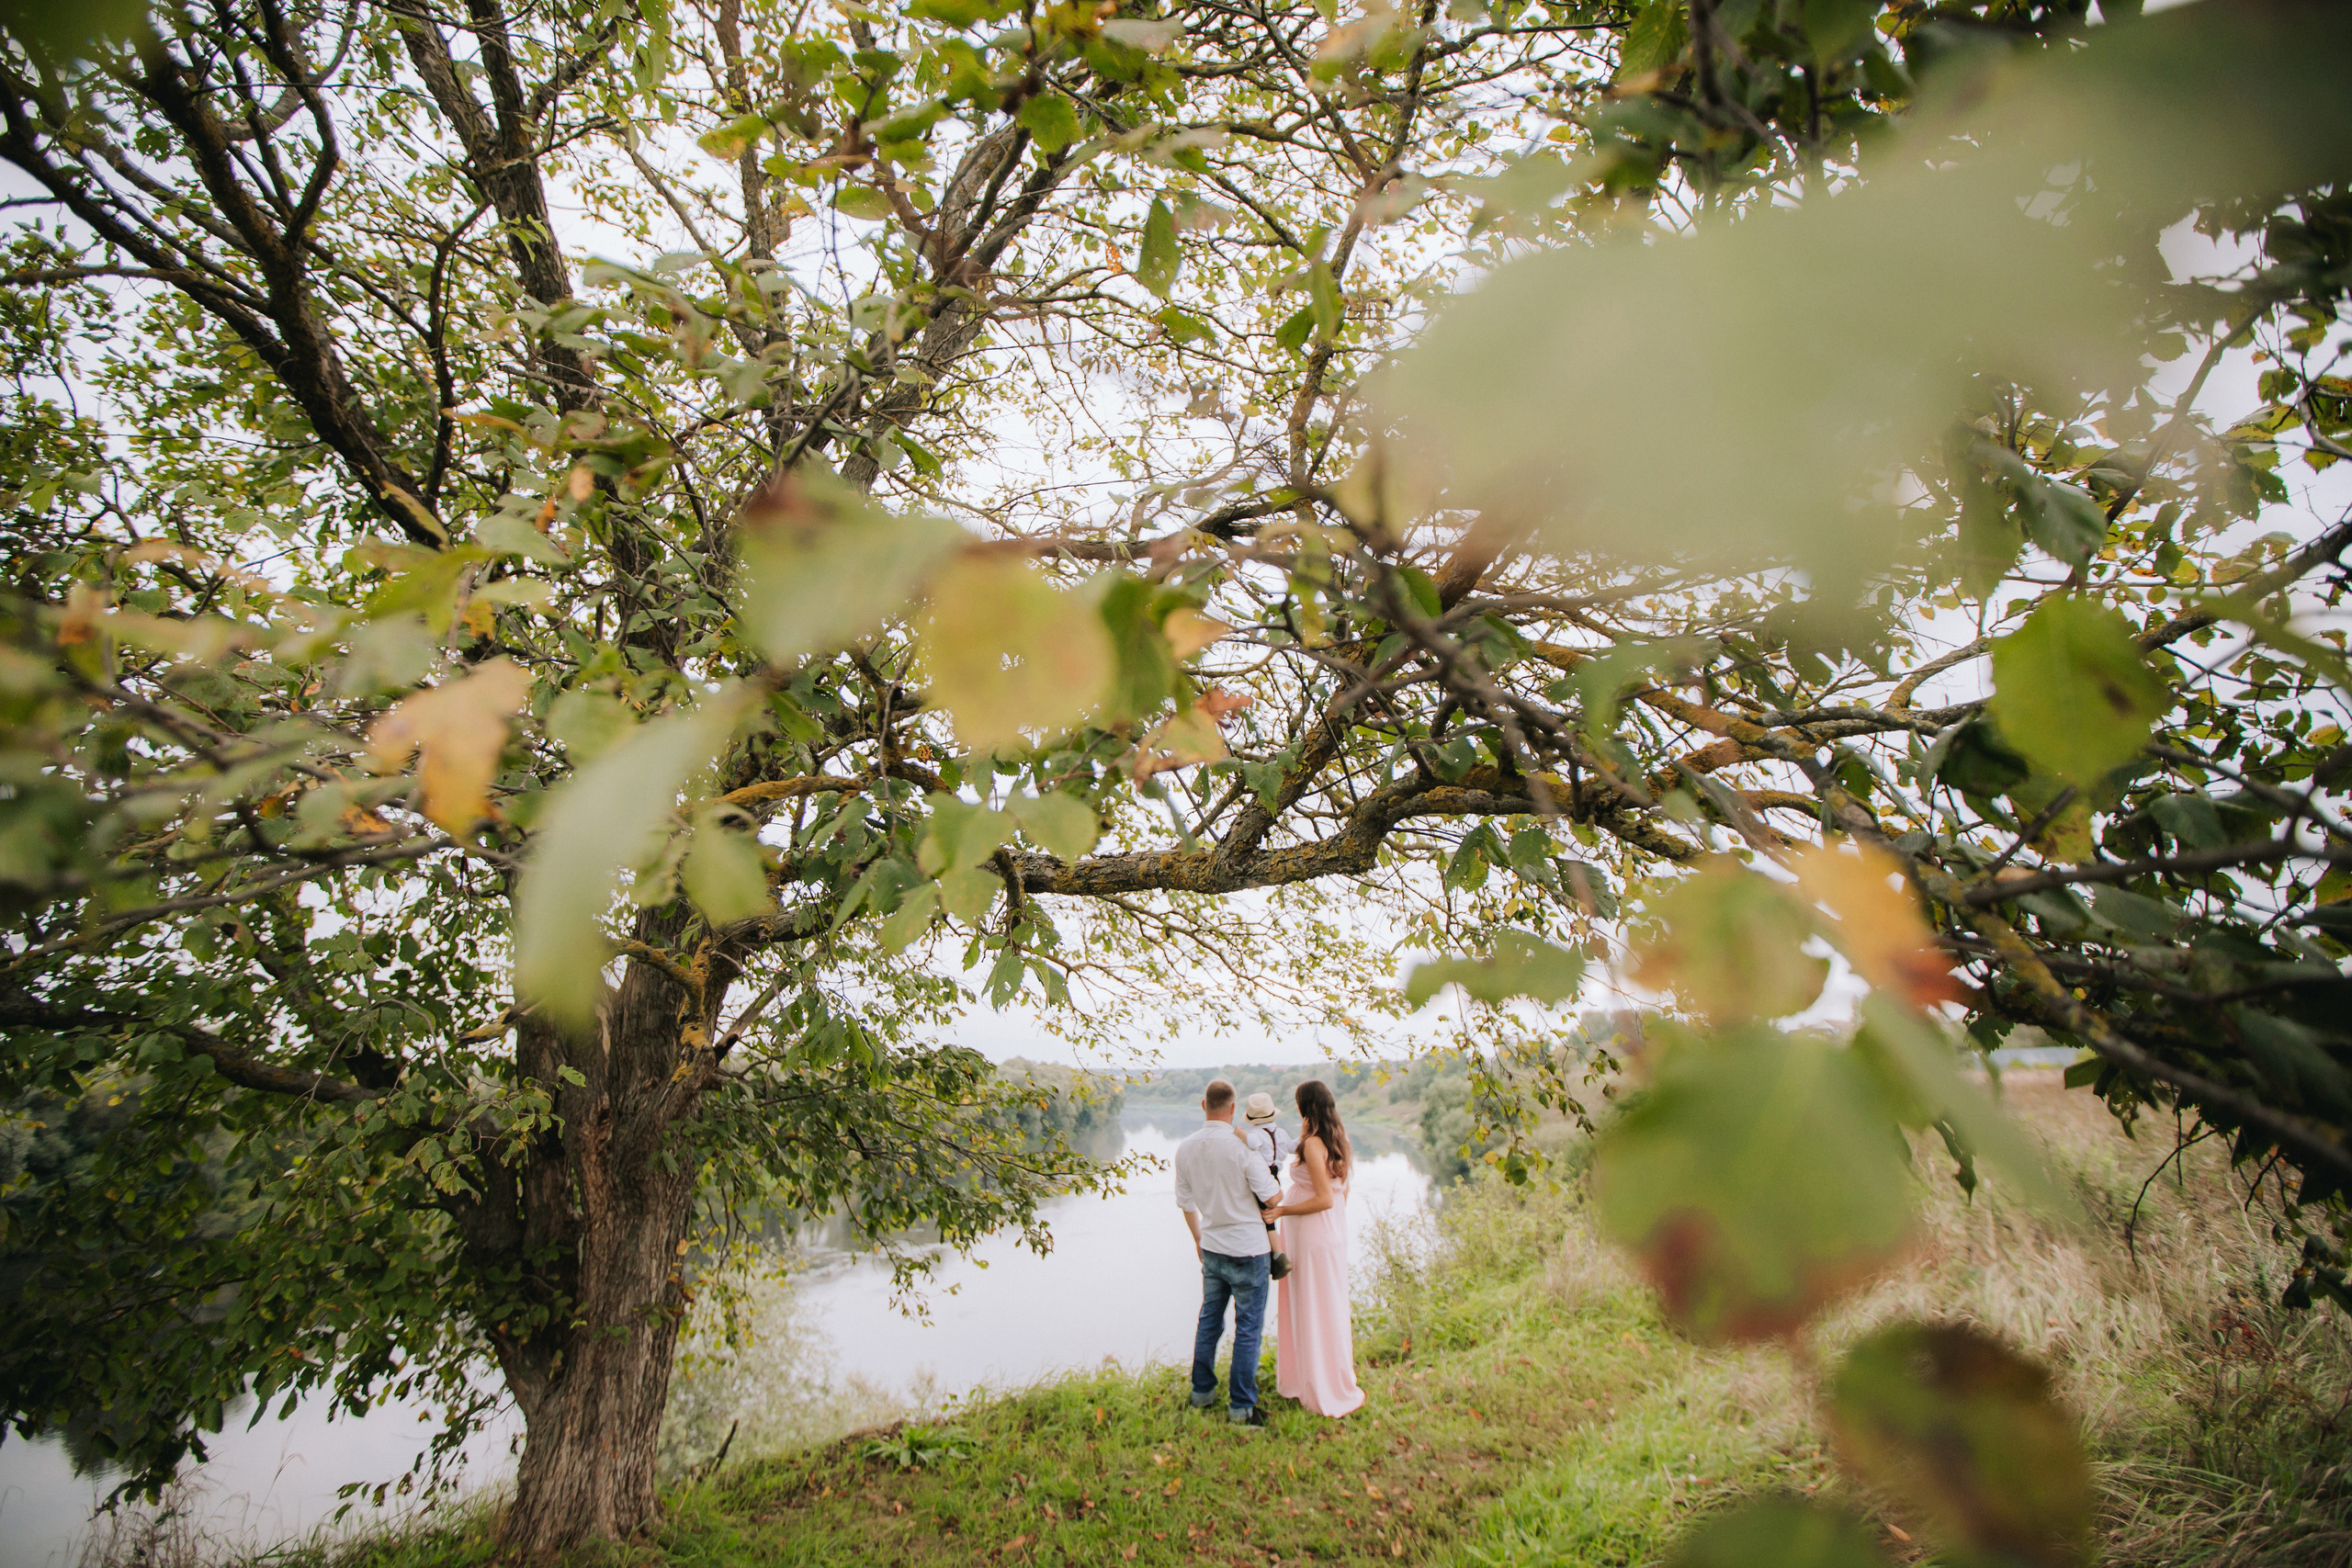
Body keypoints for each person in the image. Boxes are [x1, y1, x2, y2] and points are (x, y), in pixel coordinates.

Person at [1172, 1078, 1282, 1427]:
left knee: (1209, 1321)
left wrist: (1197, 1239)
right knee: (1248, 1328)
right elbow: (1273, 1198)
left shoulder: (1185, 1149)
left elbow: (1186, 1203)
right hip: (1250, 1250)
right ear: (1234, 1109)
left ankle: (1201, 1393)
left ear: (1204, 1106)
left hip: (1213, 1248)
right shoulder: (1243, 1149)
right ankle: (1241, 1408)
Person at [1267, 1078, 1365, 1417]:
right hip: (1328, 1232)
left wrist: (1282, 1210)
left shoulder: (1312, 1145)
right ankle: (1317, 1376)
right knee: (1327, 1303)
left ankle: (1317, 1384)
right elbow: (1341, 1191)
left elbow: (1323, 1198)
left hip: (1311, 1236)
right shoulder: (1339, 1137)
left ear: (1303, 1106)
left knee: (1311, 1304)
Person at [1240, 1092, 1295, 1280]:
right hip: (1276, 1177)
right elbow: (1293, 1147)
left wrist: (1240, 1134)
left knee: (1267, 1220)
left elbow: (1253, 1143)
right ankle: (1274, 1253)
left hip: (1262, 1178)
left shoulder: (1255, 1134)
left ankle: (1278, 1256)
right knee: (1268, 1218)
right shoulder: (1281, 1133)